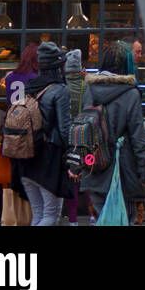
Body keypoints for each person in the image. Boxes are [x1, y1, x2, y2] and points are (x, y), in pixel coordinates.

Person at [81, 41, 145, 224]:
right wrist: (144, 173)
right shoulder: (131, 94)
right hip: (124, 172)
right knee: (125, 219)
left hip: (94, 167)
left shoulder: (90, 90)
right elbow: (138, 138)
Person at [15, 41, 71, 226]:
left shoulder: (30, 86)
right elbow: (64, 130)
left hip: (25, 157)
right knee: (50, 215)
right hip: (49, 159)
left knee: (38, 214)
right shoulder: (60, 90)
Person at [63, 49, 85, 226]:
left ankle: (72, 219)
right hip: (86, 139)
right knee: (89, 179)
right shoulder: (87, 86)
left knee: (72, 181)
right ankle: (93, 217)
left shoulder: (63, 88)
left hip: (68, 139)